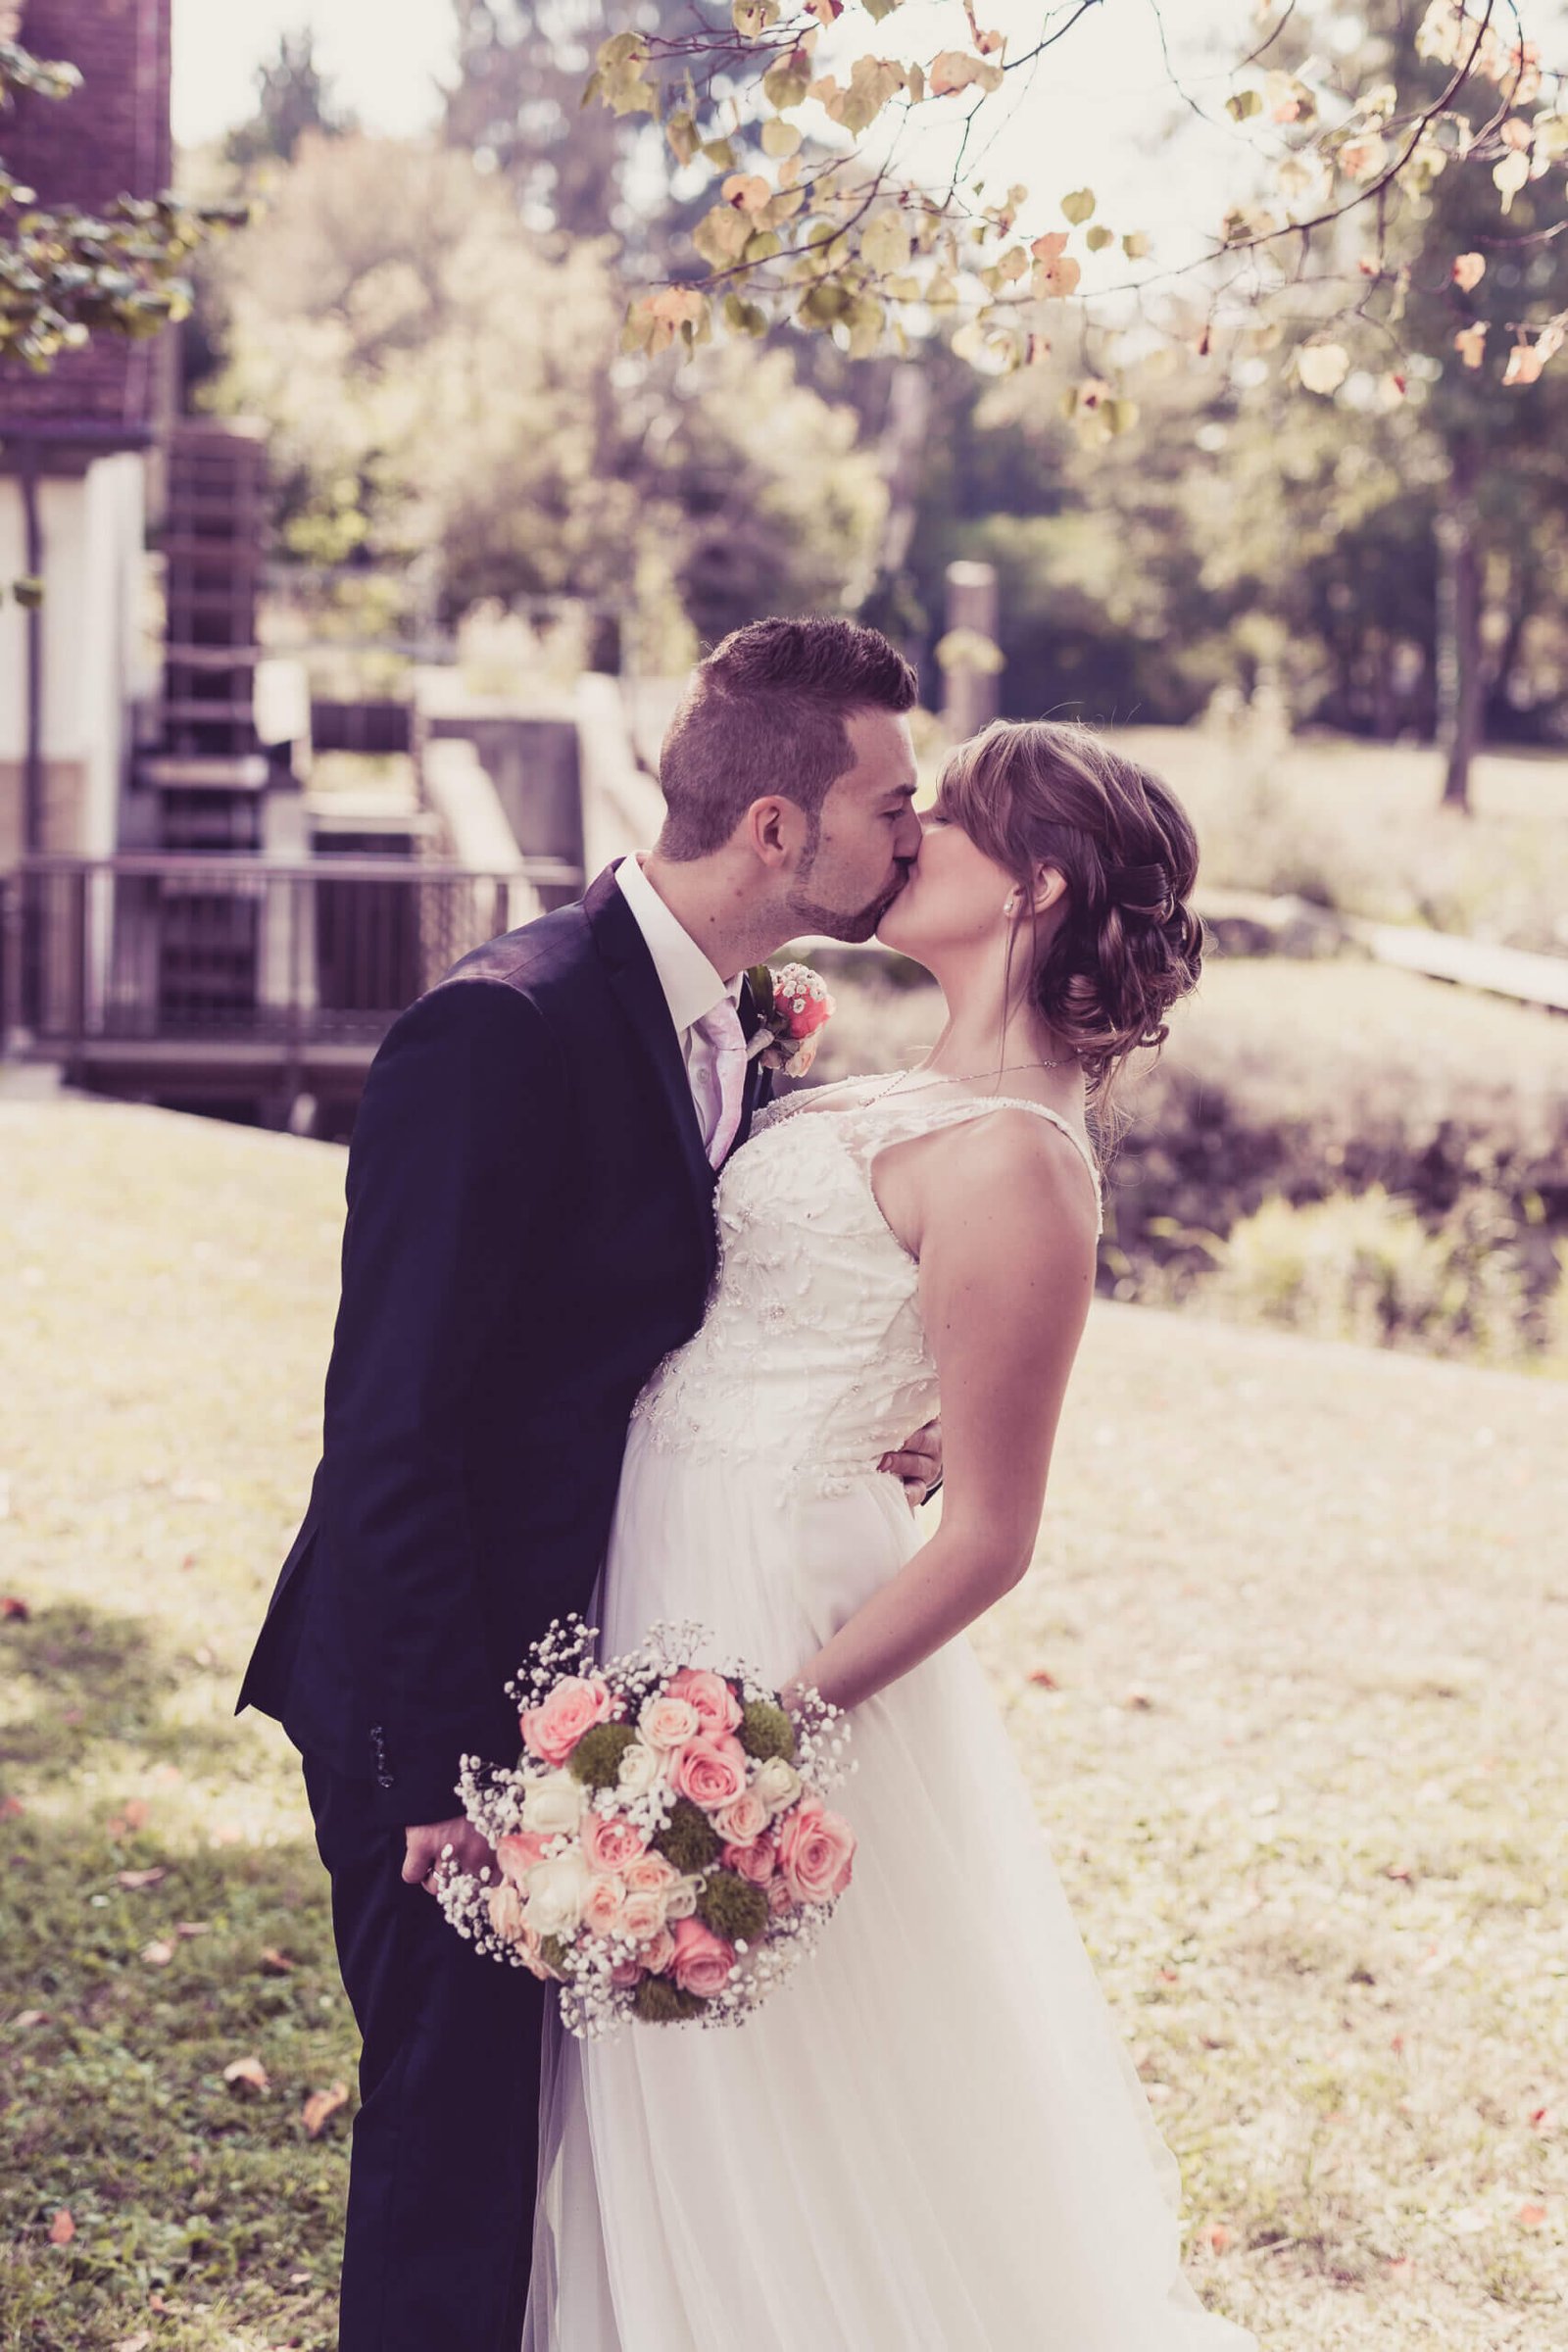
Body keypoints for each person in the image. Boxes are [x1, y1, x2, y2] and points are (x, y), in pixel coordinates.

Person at [233, 617, 943, 2352]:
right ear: (778, 829)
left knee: (549, 2151)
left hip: (586, 1682)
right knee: (451, 2149)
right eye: (891, 804)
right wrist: (436, 1770)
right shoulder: (502, 1031)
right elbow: (390, 1427)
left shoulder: (730, 1024)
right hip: (442, 1699)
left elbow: (620, 1342)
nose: (912, 838)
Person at [524, 716, 1258, 2350]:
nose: (910, 832)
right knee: (668, 2071)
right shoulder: (902, 1085)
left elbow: (994, 1534)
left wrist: (765, 1731)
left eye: (952, 818)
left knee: (789, 2085)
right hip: (664, 1548)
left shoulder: (1021, 1161)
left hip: (784, 1634)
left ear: (1037, 885)